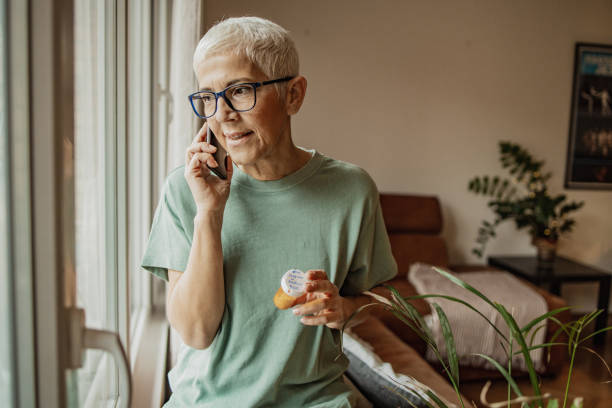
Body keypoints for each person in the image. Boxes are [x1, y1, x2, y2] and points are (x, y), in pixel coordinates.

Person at [141, 16, 397, 407]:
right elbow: (195, 332)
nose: (222, 114)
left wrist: (342, 308)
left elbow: (380, 296)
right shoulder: (185, 189)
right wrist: (209, 212)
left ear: (293, 95)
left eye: (240, 91)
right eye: (208, 96)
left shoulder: (352, 190)